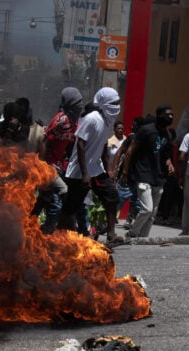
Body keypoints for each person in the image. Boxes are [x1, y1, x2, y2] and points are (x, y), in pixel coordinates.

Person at [62, 87, 123, 245]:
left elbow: (103, 147)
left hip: (96, 169)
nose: (117, 106)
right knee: (71, 207)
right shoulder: (92, 119)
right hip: (79, 172)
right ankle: (70, 237)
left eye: (118, 103)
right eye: (114, 103)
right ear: (103, 103)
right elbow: (80, 145)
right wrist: (84, 174)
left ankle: (111, 234)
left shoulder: (105, 121)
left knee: (112, 197)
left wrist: (108, 169)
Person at [121, 105, 175, 238]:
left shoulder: (167, 135)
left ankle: (143, 239)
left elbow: (166, 155)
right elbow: (130, 151)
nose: (171, 117)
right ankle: (132, 233)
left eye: (172, 115)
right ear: (160, 115)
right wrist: (124, 172)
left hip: (159, 177)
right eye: (168, 114)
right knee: (147, 209)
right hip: (143, 175)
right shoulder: (146, 130)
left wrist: (170, 164)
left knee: (152, 215)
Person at [36, 87, 82, 234]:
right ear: (70, 104)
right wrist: (42, 166)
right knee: (63, 192)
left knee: (44, 198)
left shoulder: (75, 123)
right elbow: (45, 141)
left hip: (58, 165)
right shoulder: (61, 120)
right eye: (77, 103)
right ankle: (47, 230)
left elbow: (69, 146)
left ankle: (29, 225)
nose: (80, 106)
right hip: (48, 165)